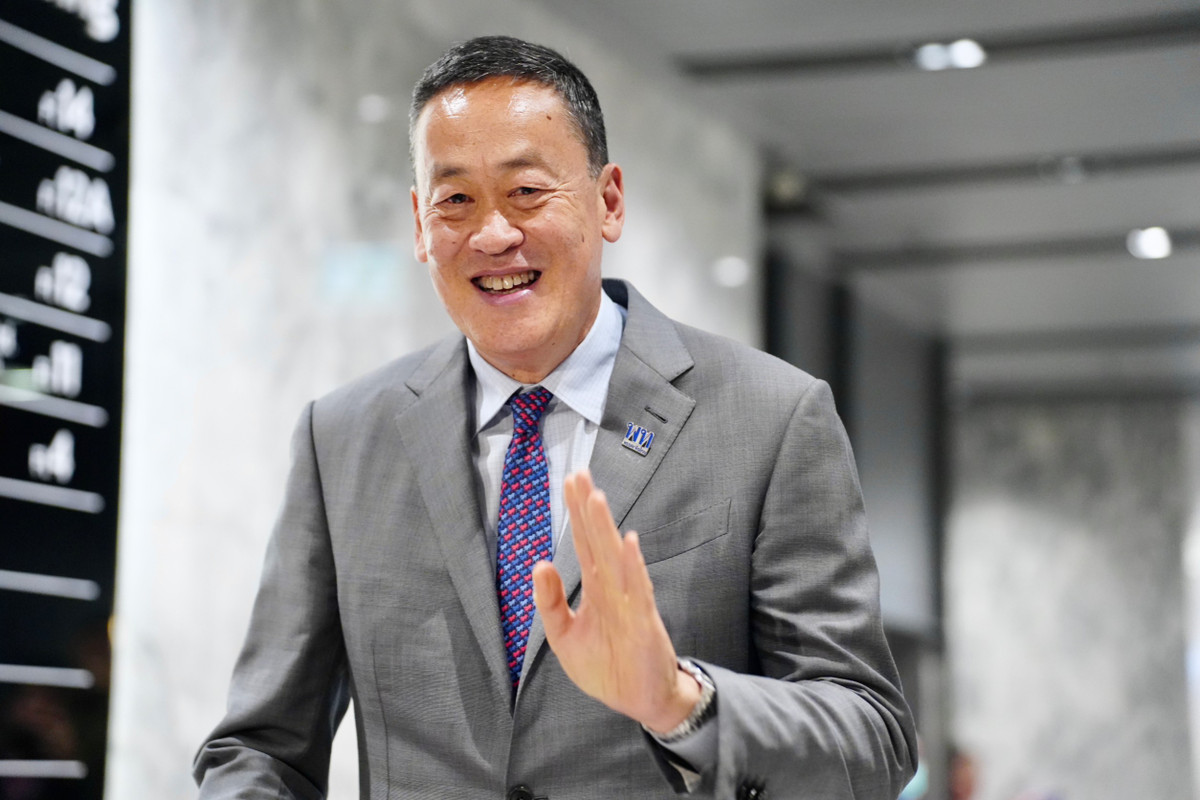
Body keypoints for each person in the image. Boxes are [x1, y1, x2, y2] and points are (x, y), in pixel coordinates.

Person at [194, 35, 916, 800]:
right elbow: (261, 749)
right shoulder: (342, 440)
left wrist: (681, 703)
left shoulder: (770, 418)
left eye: (527, 192)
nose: (493, 234)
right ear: (419, 224)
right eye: (456, 200)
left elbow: (872, 741)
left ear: (609, 201)